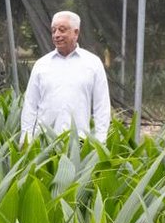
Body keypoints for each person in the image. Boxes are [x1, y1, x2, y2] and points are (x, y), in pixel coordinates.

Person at [20, 10, 111, 143]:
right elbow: (30, 105)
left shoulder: (93, 63)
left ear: (76, 32)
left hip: (80, 140)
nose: (57, 35)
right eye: (53, 30)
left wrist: (101, 139)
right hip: (45, 141)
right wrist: (26, 139)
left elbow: (101, 105)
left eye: (62, 30)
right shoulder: (41, 65)